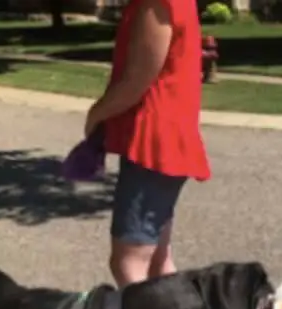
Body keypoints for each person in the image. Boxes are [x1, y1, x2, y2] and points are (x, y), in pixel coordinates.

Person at [84, 0, 210, 287]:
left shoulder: (155, 3)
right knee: (157, 260)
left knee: (129, 261)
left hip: (153, 145)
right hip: (165, 141)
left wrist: (97, 113)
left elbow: (137, 80)